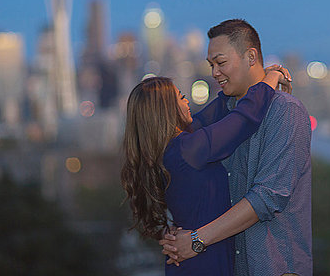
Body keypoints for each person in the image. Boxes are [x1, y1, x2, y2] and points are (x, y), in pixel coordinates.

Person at [160, 19, 313, 276]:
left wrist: (196, 240)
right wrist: (174, 232)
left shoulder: (285, 111)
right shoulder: (224, 115)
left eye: (220, 63)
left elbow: (268, 196)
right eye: (211, 66)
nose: (214, 73)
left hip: (276, 268)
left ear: (251, 56)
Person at [121, 69, 289, 275]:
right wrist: (273, 76)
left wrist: (251, 77)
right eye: (181, 98)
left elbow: (216, 110)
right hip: (204, 259)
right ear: (167, 110)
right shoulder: (189, 148)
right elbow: (244, 118)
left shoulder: (166, 151)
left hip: (189, 257)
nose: (187, 103)